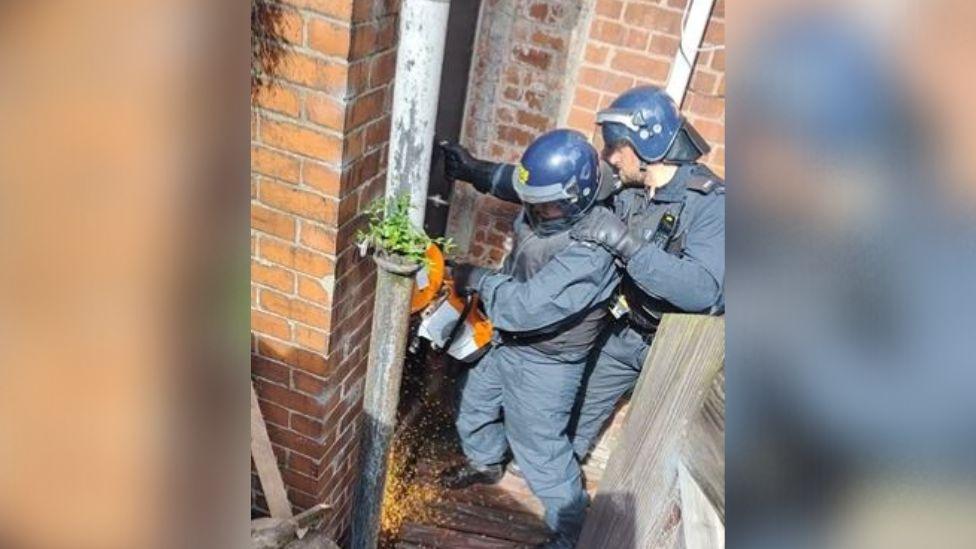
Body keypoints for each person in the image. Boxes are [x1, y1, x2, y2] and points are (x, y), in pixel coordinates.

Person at [441, 85, 725, 464]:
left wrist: (626, 244)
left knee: (658, 456)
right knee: (572, 429)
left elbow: (702, 290)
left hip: (679, 351)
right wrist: (477, 172)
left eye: (614, 147)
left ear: (643, 146)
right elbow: (557, 189)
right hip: (625, 335)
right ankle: (554, 505)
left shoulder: (711, 205)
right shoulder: (631, 185)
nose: (607, 156)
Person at [440, 129, 619, 548]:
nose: (536, 208)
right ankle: (485, 462)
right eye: (532, 199)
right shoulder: (546, 197)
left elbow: (525, 308)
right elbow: (512, 181)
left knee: (539, 449)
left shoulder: (593, 248)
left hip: (546, 362)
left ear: (576, 198)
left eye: (548, 204)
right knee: (473, 403)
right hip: (508, 341)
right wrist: (471, 169)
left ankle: (572, 533)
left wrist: (478, 278)